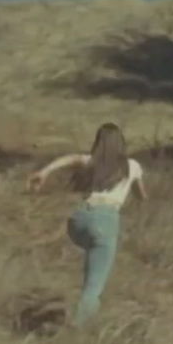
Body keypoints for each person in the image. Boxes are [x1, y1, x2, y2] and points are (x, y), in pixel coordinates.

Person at [28, 123, 147, 327]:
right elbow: (141, 195)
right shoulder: (132, 166)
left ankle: (90, 266)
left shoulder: (92, 162)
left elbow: (70, 158)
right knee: (94, 287)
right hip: (105, 220)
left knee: (93, 252)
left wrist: (44, 173)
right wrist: (140, 193)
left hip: (79, 219)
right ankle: (77, 329)